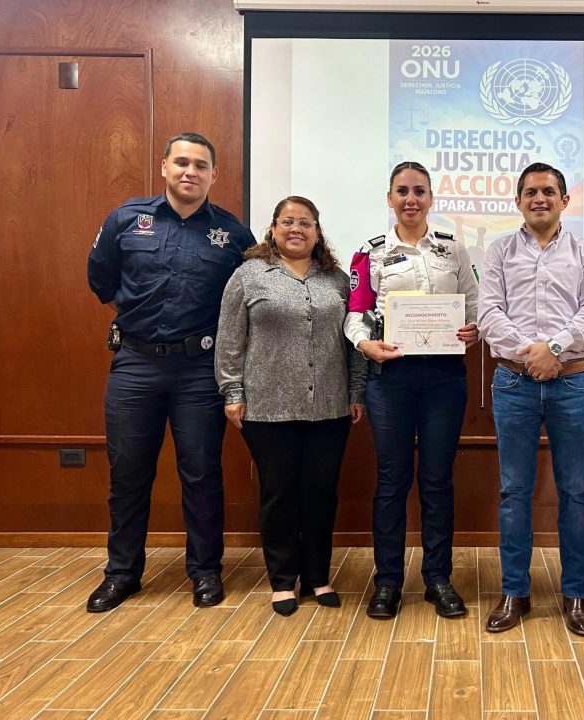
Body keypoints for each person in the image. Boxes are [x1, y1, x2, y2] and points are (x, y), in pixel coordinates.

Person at [86, 132, 256, 612]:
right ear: (164, 167)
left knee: (201, 472)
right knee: (128, 473)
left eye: (200, 165)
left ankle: (205, 571)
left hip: (199, 369)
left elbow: (244, 300)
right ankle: (122, 573)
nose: (190, 172)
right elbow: (101, 279)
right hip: (135, 364)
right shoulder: (126, 219)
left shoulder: (233, 234)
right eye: (181, 162)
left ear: (214, 175)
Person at [216, 196, 366, 616]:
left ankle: (318, 577)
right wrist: (232, 392)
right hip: (268, 407)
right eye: (287, 222)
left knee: (321, 494)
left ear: (317, 231)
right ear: (273, 229)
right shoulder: (248, 275)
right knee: (278, 494)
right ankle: (283, 581)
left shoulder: (337, 279)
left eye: (305, 222)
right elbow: (229, 338)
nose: (296, 229)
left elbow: (354, 339)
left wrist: (356, 392)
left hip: (330, 407)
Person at [478, 162, 584, 636]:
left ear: (564, 200)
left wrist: (552, 348)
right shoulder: (498, 251)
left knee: (575, 490)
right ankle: (515, 590)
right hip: (514, 383)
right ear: (517, 201)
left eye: (549, 192)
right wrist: (532, 354)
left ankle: (576, 593)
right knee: (514, 491)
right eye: (531, 192)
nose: (540, 199)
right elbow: (488, 313)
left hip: (571, 382)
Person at [344, 161, 479, 619]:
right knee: (392, 480)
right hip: (391, 378)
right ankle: (387, 582)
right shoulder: (370, 253)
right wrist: (364, 344)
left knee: (437, 481)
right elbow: (356, 312)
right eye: (402, 191)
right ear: (390, 198)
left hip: (444, 378)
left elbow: (475, 304)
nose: (410, 199)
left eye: (419, 191)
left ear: (431, 198)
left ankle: (438, 579)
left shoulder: (453, 248)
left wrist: (474, 329)